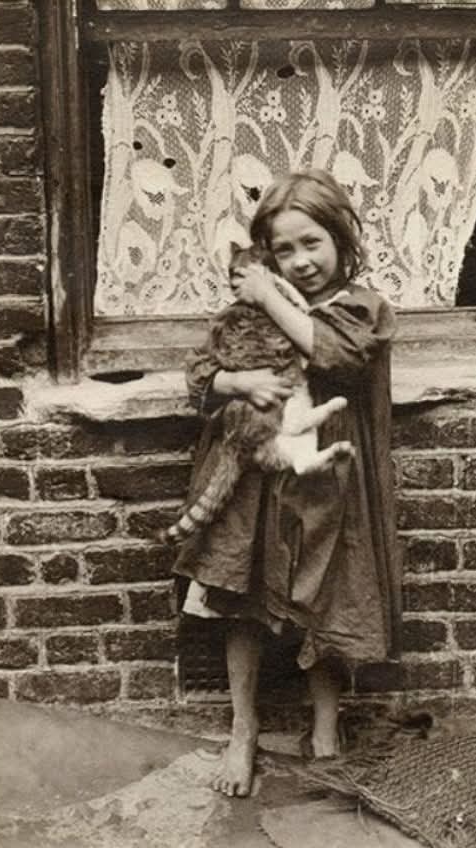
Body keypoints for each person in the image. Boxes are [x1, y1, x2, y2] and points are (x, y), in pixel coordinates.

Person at [173, 168, 401, 798]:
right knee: (241, 603)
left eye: (313, 244)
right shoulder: (247, 311)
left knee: (325, 601)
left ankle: (324, 726)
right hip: (253, 480)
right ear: (267, 254)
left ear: (342, 240)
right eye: (284, 250)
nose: (300, 262)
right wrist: (235, 382)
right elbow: (198, 374)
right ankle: (243, 729)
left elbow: (336, 355)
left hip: (329, 480)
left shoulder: (362, 308)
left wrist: (269, 295)